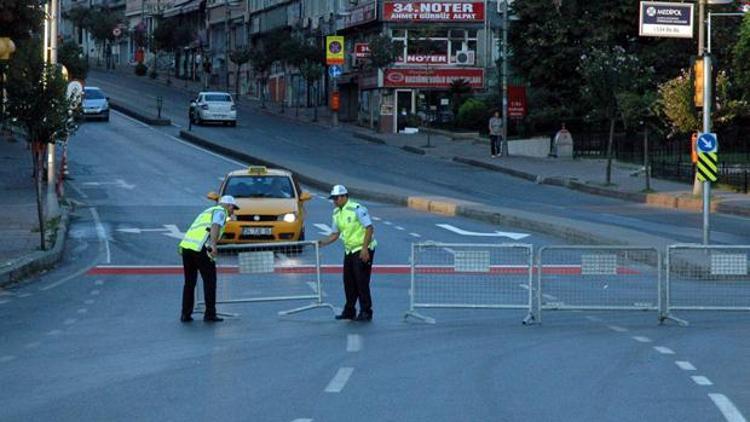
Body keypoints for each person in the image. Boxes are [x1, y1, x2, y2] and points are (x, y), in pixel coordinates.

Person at [318, 185, 377, 322]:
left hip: (362, 249)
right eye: (333, 198)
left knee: (361, 281)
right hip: (350, 249)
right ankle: (350, 310)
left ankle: (366, 311)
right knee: (348, 281)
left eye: (336, 198)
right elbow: (335, 234)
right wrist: (321, 243)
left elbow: (369, 228)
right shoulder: (336, 213)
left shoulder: (357, 209)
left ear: (344, 196)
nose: (334, 201)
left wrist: (364, 248)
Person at [178, 195, 239, 322]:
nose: (233, 211)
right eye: (233, 208)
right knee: (210, 281)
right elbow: (215, 226)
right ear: (230, 206)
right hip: (202, 248)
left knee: (189, 283)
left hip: (187, 248)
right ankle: (210, 314)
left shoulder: (207, 212)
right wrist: (213, 245)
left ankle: (185, 313)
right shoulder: (220, 212)